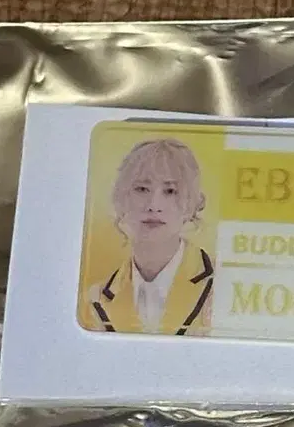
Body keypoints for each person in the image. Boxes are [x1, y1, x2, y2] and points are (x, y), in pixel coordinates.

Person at [83, 138, 214, 335]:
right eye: (142, 189)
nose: (153, 205)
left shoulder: (220, 285)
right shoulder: (94, 300)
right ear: (121, 199)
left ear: (191, 203)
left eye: (170, 191)